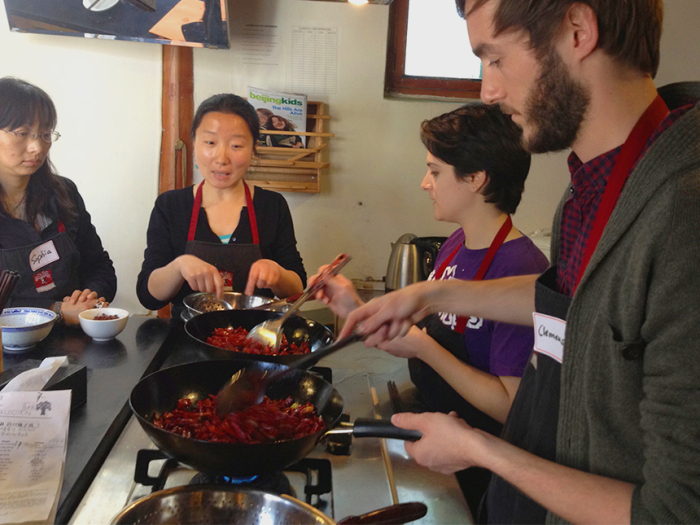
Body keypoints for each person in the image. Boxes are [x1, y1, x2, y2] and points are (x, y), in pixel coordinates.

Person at [340, 0, 700, 523]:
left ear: (577, 31)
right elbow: (574, 306)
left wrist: (478, 450)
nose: (488, 90)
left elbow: (673, 513)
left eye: (495, 59)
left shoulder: (683, 214)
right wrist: (429, 293)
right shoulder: (589, 190)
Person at [316, 103, 548, 515]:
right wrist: (354, 305)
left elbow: (512, 407)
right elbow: (417, 329)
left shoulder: (521, 268)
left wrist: (425, 349)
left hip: (480, 464)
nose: (425, 183)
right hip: (436, 426)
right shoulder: (456, 244)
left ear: (476, 179)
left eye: (435, 171)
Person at [137, 94, 306, 319]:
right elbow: (148, 295)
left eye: (236, 145)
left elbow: (297, 289)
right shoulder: (170, 205)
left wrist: (278, 275)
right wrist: (179, 266)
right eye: (210, 143)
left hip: (255, 339)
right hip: (186, 343)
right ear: (194, 142)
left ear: (253, 148)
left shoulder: (272, 206)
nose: (221, 157)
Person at [0, 77, 116, 325]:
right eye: (21, 133)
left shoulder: (63, 192)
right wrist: (57, 311)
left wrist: (91, 298)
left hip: (74, 345)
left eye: (44, 134)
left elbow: (99, 266)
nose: (36, 147)